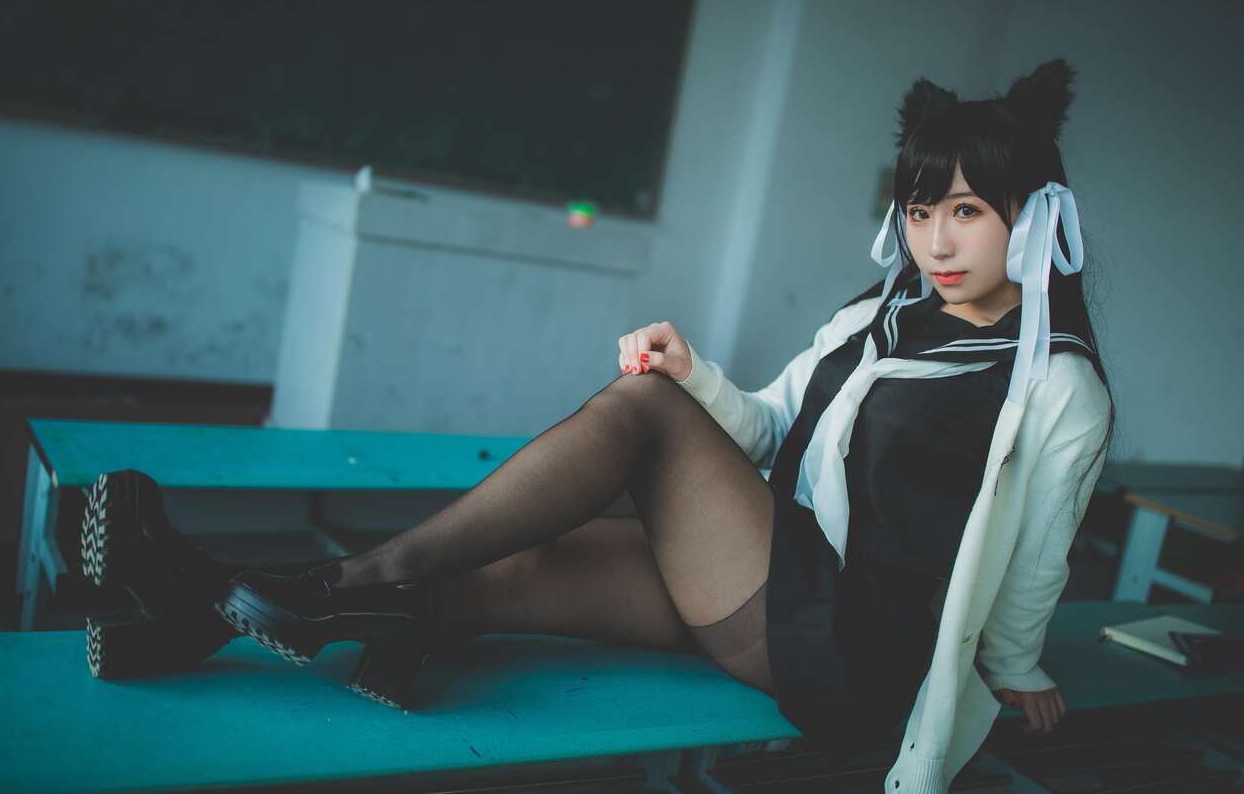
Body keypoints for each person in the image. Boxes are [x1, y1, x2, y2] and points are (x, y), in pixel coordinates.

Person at [81, 58, 1114, 794]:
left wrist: (1017, 665)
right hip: (776, 571)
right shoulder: (873, 314)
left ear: (1030, 216)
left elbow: (1037, 554)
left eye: (966, 212)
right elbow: (768, 428)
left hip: (851, 641)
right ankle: (178, 613)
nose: (936, 242)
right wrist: (695, 371)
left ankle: (342, 582)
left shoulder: (1057, 383)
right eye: (921, 210)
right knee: (516, 569)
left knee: (644, 412)